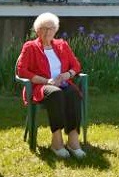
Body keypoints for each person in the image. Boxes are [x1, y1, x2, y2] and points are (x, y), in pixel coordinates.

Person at [16, 12, 86, 159]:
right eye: (44, 28)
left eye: (51, 28)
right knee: (55, 93)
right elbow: (22, 70)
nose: (47, 31)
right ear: (37, 30)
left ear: (56, 30)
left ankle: (73, 140)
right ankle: (57, 141)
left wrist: (67, 75)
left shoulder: (62, 45)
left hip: (63, 83)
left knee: (73, 93)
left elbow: (76, 66)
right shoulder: (30, 47)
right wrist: (46, 81)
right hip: (41, 86)